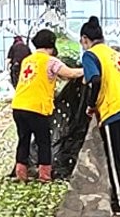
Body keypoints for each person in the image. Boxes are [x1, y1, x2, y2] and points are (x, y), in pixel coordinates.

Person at [80, 16, 120, 216]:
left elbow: (96, 80)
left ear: (85, 39)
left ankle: (119, 203)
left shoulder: (91, 55)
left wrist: (91, 105)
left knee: (113, 156)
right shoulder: (114, 54)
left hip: (113, 110)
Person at [11, 29, 84, 182]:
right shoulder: (51, 61)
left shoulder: (28, 60)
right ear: (51, 44)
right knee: (43, 141)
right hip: (36, 108)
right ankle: (44, 175)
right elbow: (69, 73)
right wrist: (87, 70)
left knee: (23, 140)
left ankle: (21, 174)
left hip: (18, 106)